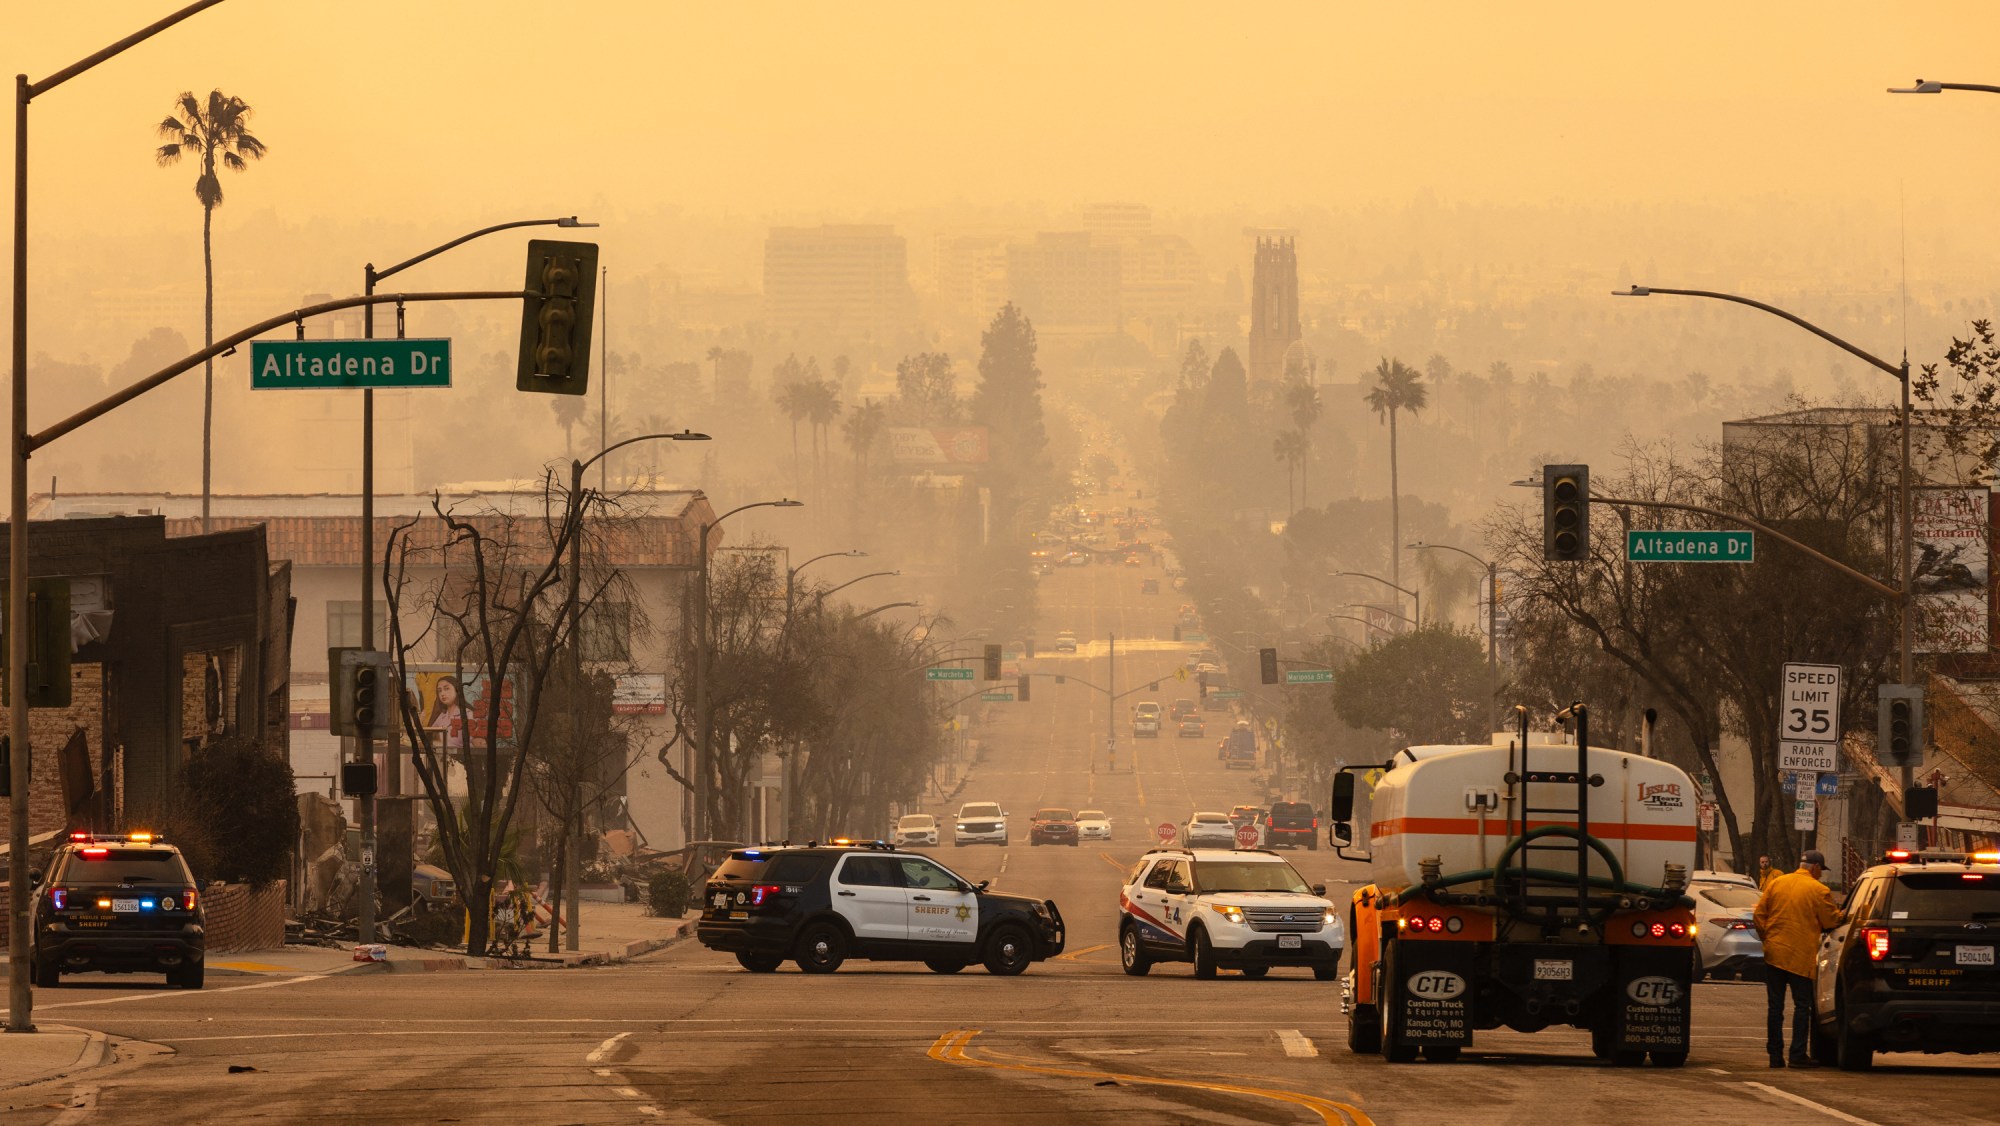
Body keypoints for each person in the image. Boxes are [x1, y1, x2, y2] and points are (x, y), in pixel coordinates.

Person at [1753, 849, 1843, 1068]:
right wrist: (1846, 913)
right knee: (1802, 1006)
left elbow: (1758, 915)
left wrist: (1768, 938)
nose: (1821, 875)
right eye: (1820, 870)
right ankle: (1797, 1054)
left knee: (1775, 1007)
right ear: (1814, 867)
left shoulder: (1777, 883)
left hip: (1774, 953)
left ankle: (1775, 1056)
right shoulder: (1819, 890)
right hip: (1800, 957)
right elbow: (1831, 920)